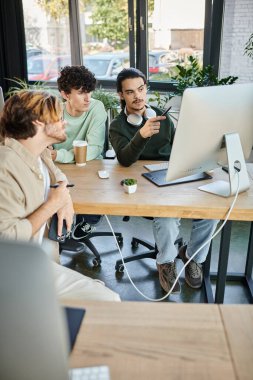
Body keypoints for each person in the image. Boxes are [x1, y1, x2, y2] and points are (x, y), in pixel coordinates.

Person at [0, 90, 120, 302]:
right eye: (57, 116)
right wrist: (53, 203)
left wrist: (64, 198)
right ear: (38, 123)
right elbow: (7, 240)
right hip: (14, 271)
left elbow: (58, 175)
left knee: (100, 296)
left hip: (39, 260)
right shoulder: (6, 167)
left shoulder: (40, 152)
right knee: (108, 301)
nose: (64, 121)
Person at [110, 67, 218, 294]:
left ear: (146, 88)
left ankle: (192, 257)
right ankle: (166, 262)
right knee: (167, 218)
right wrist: (141, 135)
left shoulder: (163, 117)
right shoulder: (118, 127)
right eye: (130, 92)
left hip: (172, 177)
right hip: (143, 185)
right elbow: (125, 160)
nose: (138, 96)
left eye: (141, 89)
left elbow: (181, 147)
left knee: (212, 211)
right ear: (121, 95)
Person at [51, 65, 108, 238]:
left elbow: (94, 148)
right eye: (82, 92)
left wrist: (60, 155)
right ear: (65, 94)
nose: (88, 98)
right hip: (61, 171)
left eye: (89, 91)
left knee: (87, 210)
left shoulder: (96, 108)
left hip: (88, 168)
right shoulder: (56, 111)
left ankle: (78, 226)